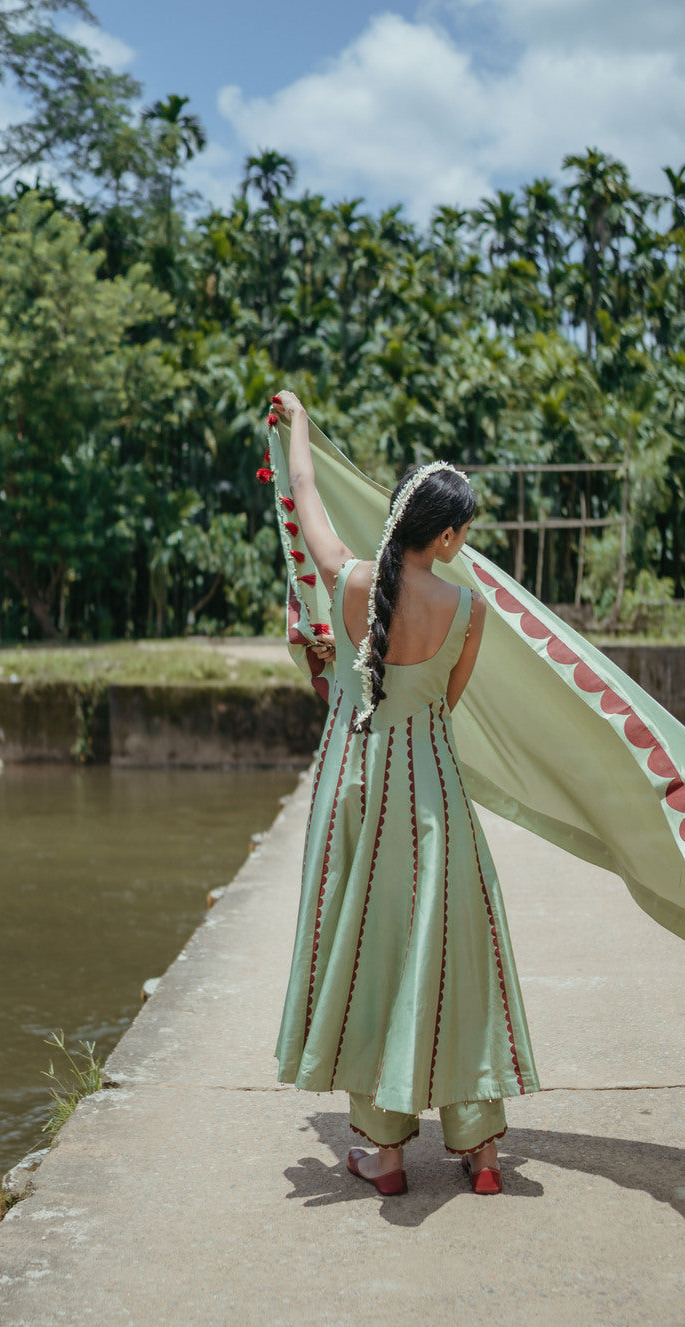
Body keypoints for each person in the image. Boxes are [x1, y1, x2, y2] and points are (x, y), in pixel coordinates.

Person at [272, 390, 539, 1196]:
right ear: (447, 536)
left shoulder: (348, 579)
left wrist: (299, 425)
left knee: (367, 947)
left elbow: (305, 497)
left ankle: (384, 1154)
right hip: (433, 795)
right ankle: (481, 1151)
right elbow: (441, 705)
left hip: (355, 786)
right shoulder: (468, 609)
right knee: (453, 951)